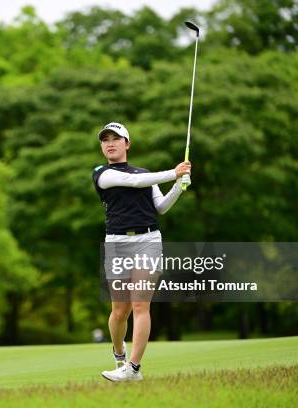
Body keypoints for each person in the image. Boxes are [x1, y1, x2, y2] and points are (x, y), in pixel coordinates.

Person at [92, 122, 191, 382]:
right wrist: (173, 172)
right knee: (119, 311)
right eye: (105, 140)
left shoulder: (146, 174)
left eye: (116, 138)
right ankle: (119, 353)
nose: (110, 143)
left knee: (140, 304)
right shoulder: (102, 174)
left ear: (127, 143)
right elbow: (133, 182)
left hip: (148, 240)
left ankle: (133, 369)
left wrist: (179, 185)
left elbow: (161, 207)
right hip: (116, 242)